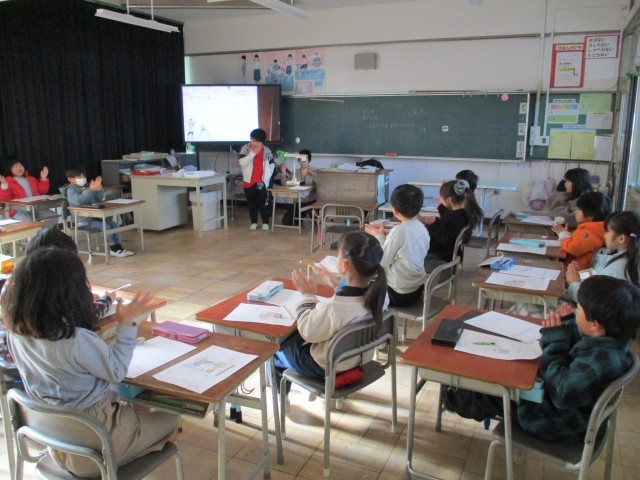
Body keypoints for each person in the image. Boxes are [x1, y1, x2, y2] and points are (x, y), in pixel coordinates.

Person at [4, 247, 177, 477]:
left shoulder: (16, 335)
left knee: (135, 409)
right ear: (70, 293)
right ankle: (124, 461)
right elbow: (117, 370)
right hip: (96, 443)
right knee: (171, 422)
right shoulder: (75, 339)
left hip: (56, 441)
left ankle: (132, 440)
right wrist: (127, 324)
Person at [444, 276, 639, 443]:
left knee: (493, 391)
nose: (576, 310)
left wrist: (555, 342)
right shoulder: (610, 341)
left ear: (595, 324)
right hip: (566, 410)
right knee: (505, 374)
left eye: (579, 308)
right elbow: (580, 342)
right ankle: (458, 394)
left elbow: (562, 390)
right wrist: (566, 325)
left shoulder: (602, 360)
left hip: (554, 420)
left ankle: (451, 397)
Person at [274, 231, 388, 393]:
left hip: (326, 367)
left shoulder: (337, 308)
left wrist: (307, 295)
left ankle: (281, 398)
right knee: (294, 340)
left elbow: (308, 331)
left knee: (276, 349)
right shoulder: (381, 296)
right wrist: (335, 282)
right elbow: (352, 300)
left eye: (338, 254)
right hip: (356, 358)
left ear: (345, 265)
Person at [23, 227, 116, 321]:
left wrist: (83, 296)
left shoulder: (26, 286)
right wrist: (107, 300)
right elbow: (87, 315)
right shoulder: (59, 292)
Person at [365, 184, 430, 307]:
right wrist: (388, 235)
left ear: (394, 210)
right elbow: (407, 244)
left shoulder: (399, 231)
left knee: (362, 287)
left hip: (398, 294)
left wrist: (379, 236)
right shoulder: (422, 228)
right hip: (416, 290)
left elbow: (383, 260)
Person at [565, 210, 640, 302]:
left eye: (608, 231)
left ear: (621, 238)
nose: (604, 235)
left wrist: (574, 283)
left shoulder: (616, 270)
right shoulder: (625, 257)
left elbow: (595, 302)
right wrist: (583, 275)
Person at [64, 166, 134, 257]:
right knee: (106, 226)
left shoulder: (88, 186)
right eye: (79, 177)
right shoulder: (70, 190)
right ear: (70, 179)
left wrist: (99, 189)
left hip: (95, 218)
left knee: (114, 224)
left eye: (83, 176)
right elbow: (79, 201)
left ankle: (119, 247)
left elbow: (98, 199)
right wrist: (90, 190)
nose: (82, 178)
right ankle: (113, 248)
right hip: (83, 222)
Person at [422, 179, 482, 273]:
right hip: (447, 253)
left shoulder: (456, 217)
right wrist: (435, 222)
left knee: (412, 258)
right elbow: (446, 220)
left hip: (441, 257)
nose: (440, 200)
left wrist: (432, 225)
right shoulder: (462, 213)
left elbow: (445, 240)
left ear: (449, 200)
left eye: (441, 197)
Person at [551, 191, 611, 269]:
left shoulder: (591, 232)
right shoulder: (594, 229)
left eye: (579, 209)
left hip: (573, 270)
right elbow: (579, 242)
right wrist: (566, 234)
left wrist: (563, 234)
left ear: (590, 216)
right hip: (573, 266)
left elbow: (573, 248)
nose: (576, 212)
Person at [0, 159, 57, 226]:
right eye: (16, 166)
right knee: (30, 223)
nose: (19, 168)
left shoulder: (31, 179)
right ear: (9, 169)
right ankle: (36, 232)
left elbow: (42, 191)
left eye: (21, 165)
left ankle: (41, 232)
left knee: (53, 217)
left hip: (35, 207)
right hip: (18, 210)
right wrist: (4, 186)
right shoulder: (7, 182)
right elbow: (4, 199)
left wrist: (44, 179)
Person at [239, 128, 276, 231]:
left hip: (261, 182)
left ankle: (265, 223)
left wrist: (267, 178)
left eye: (258, 142)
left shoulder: (267, 151)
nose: (255, 144)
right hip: (248, 182)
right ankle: (254, 222)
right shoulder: (245, 148)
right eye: (253, 141)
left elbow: (272, 164)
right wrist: (252, 153)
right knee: (252, 204)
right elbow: (242, 163)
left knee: (264, 203)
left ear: (262, 142)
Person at [273, 149, 316, 224]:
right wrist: (283, 173)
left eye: (305, 160)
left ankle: (309, 215)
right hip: (299, 202)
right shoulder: (295, 172)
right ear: (298, 160)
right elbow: (285, 184)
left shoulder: (315, 171)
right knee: (286, 222)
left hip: (312, 202)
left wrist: (310, 174)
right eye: (300, 160)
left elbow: (318, 184)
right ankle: (301, 216)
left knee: (317, 222)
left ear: (309, 160)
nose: (302, 162)